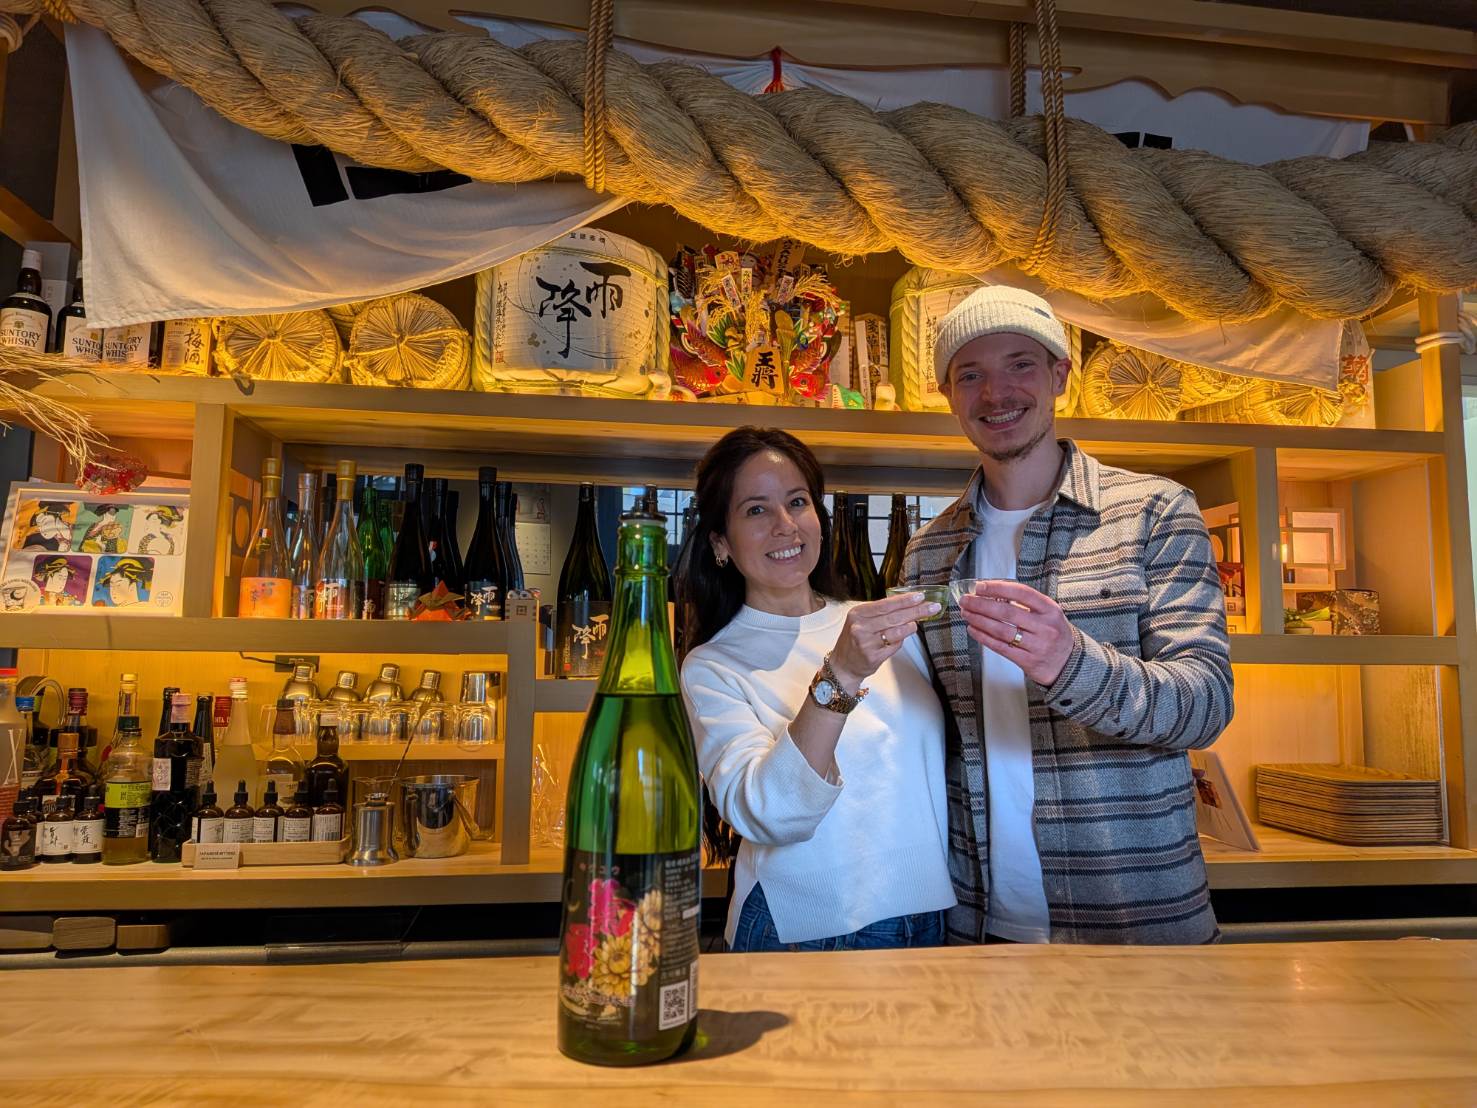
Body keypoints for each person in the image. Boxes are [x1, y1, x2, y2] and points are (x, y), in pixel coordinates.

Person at [904, 286, 1234, 946]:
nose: (995, 393)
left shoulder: (1154, 512)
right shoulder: (929, 552)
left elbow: (1206, 704)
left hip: (1136, 924)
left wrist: (1070, 662)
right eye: (969, 375)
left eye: (1020, 365)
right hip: (974, 925)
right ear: (947, 394)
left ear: (1060, 374)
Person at [678, 427, 955, 952]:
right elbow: (768, 814)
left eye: (797, 502)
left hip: (927, 916)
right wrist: (840, 674)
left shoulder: (879, 623)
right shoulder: (713, 666)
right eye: (756, 510)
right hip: (802, 929)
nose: (785, 525)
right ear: (720, 542)